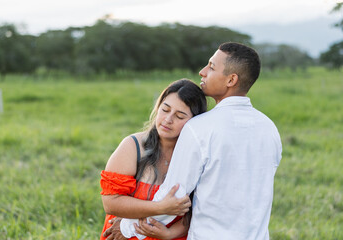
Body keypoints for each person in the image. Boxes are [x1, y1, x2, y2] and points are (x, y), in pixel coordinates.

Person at [120, 42, 282, 240]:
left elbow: (174, 195)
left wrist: (126, 227)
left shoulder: (200, 128)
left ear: (231, 79)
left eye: (212, 67)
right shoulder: (269, 128)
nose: (202, 72)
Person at [100, 79, 207, 240]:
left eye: (179, 116)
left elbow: (200, 210)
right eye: (165, 109)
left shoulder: (198, 156)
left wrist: (170, 233)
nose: (168, 119)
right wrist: (161, 208)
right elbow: (111, 203)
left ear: (194, 122)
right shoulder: (133, 147)